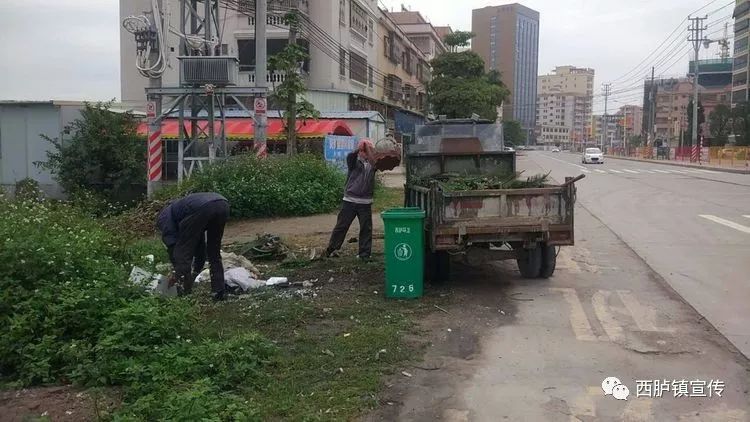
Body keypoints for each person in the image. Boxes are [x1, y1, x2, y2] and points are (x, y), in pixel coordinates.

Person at [156, 192, 230, 300]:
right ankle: (218, 292)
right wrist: (196, 270)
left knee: (182, 254)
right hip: (223, 204)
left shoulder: (163, 218)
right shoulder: (182, 212)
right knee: (214, 251)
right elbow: (199, 246)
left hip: (202, 208)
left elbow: (173, 246)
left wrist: (176, 270)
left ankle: (184, 293)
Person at [325, 139, 377, 259]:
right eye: (364, 151)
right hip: (350, 200)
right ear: (360, 151)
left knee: (366, 228)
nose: (366, 153)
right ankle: (332, 249)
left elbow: (375, 163)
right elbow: (351, 156)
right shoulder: (353, 161)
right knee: (342, 226)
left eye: (368, 151)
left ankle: (364, 253)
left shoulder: (373, 164)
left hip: (365, 201)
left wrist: (369, 150)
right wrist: (360, 147)